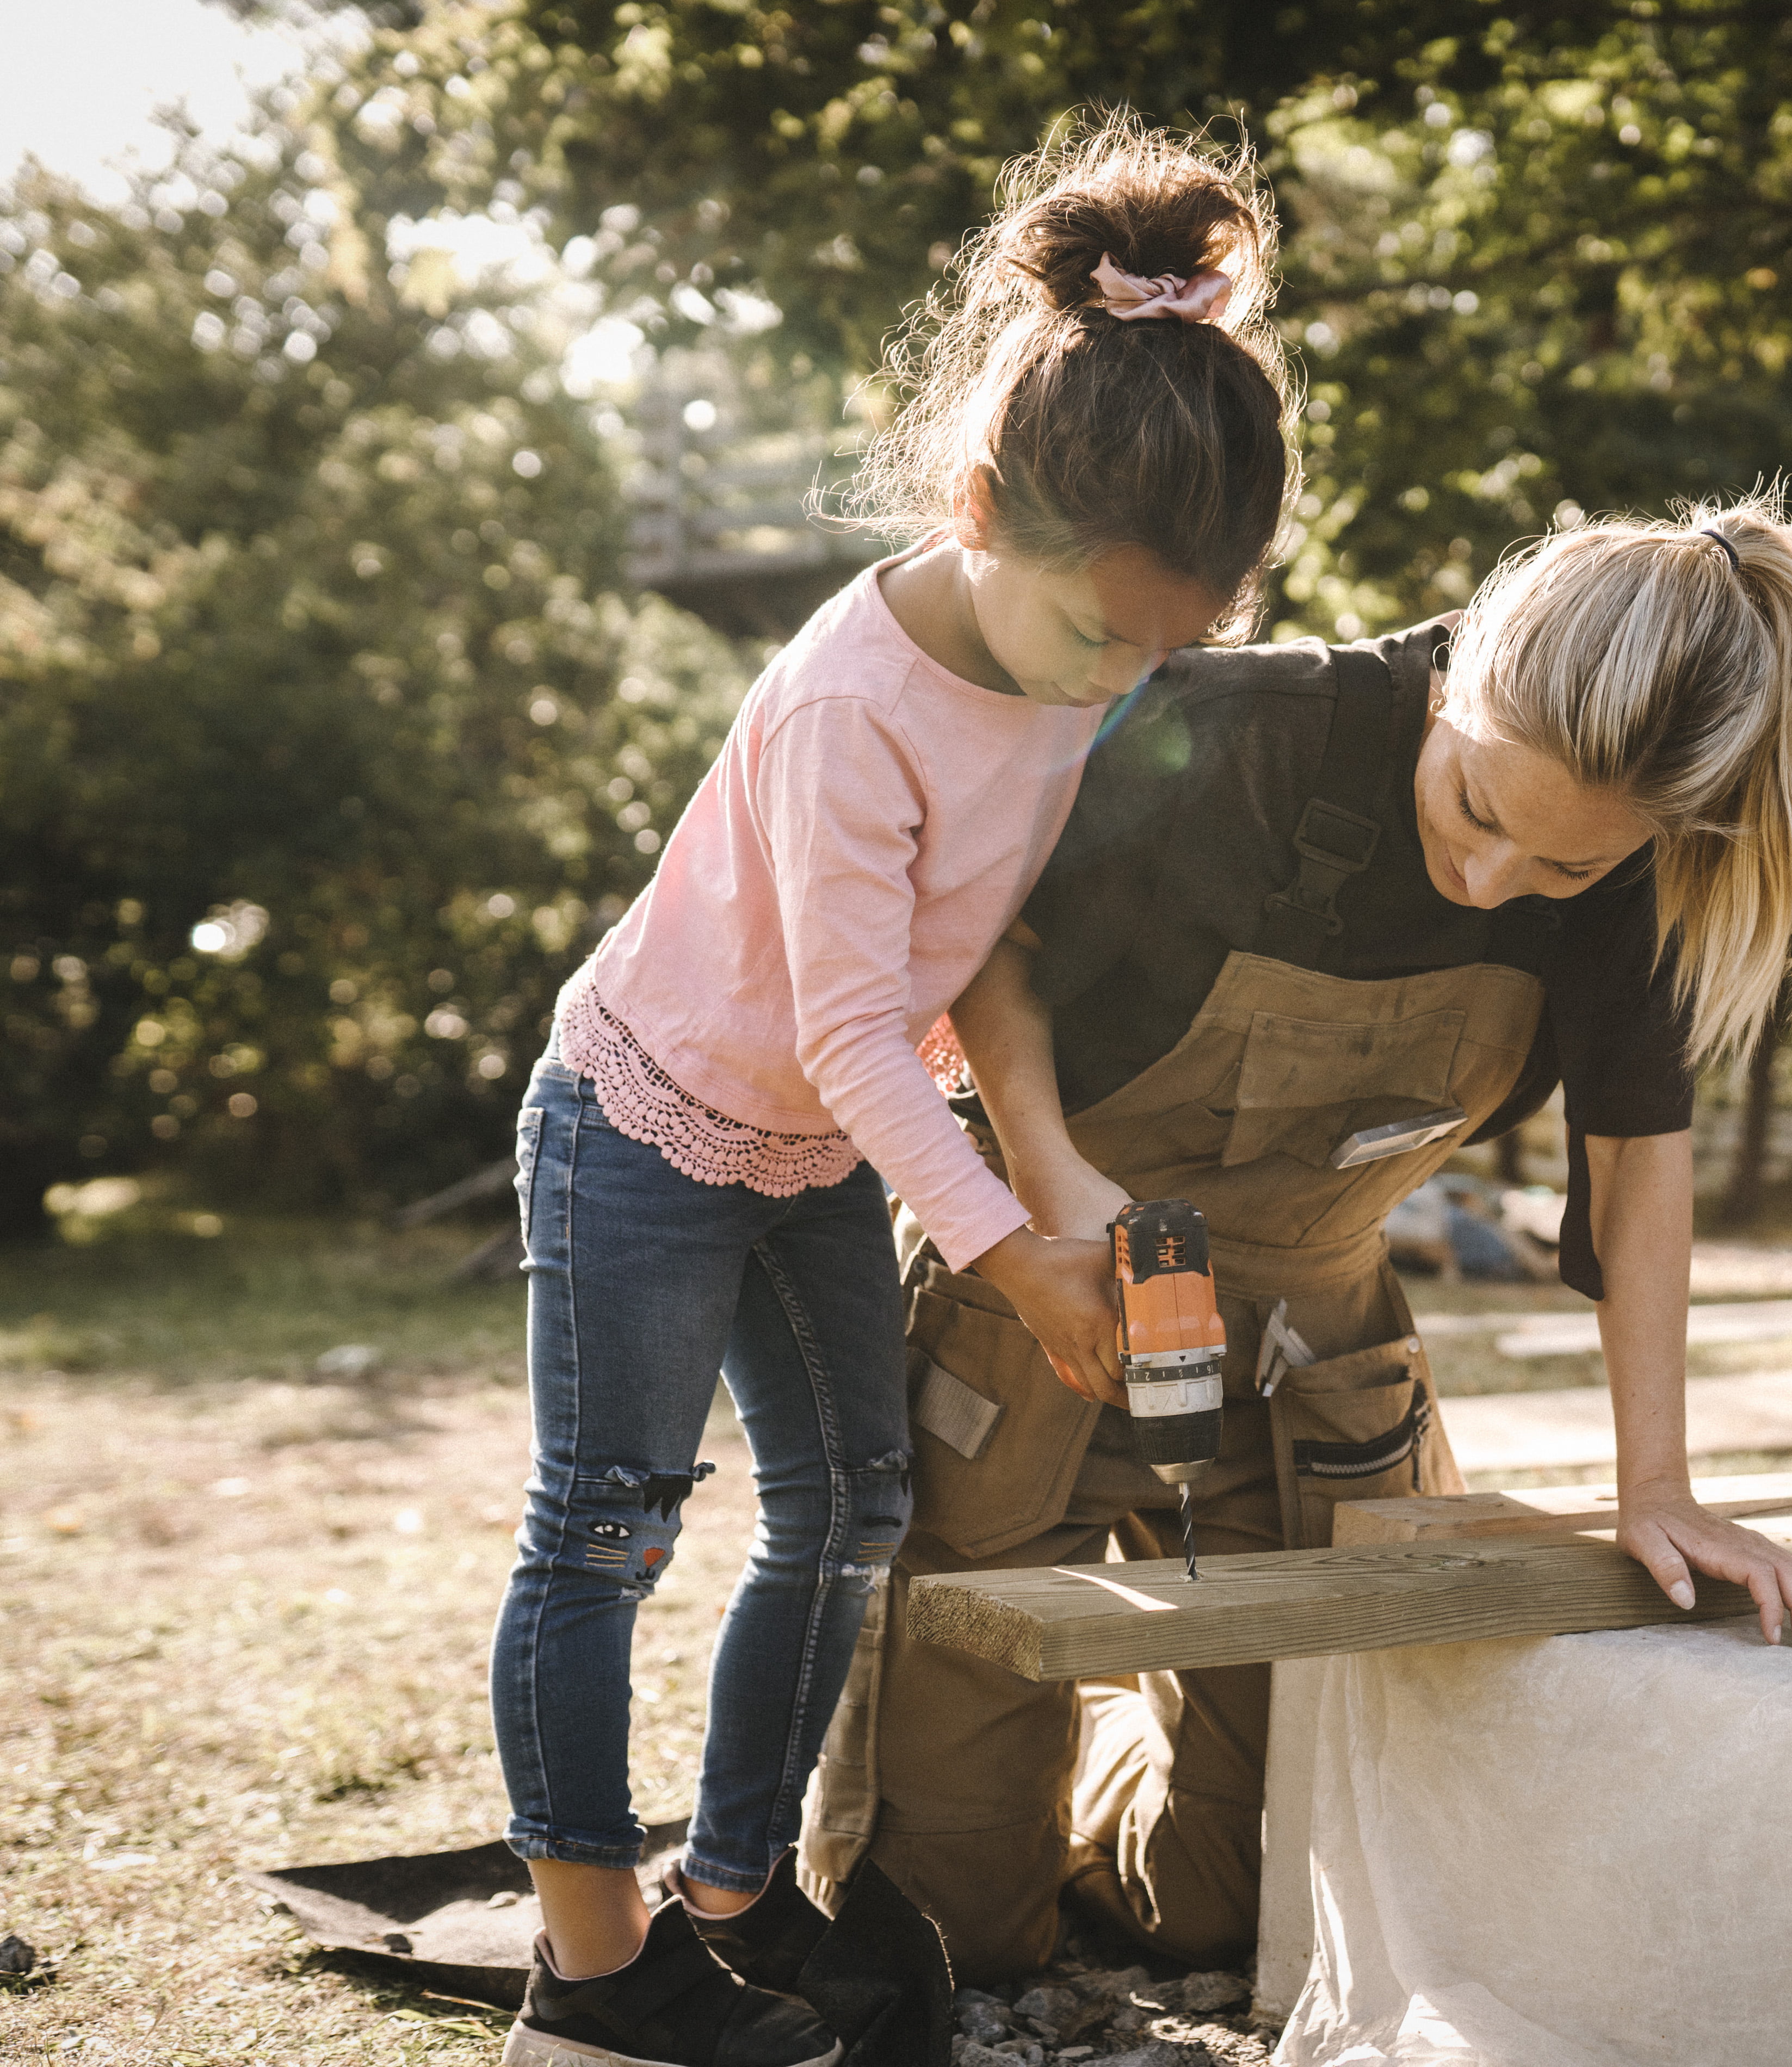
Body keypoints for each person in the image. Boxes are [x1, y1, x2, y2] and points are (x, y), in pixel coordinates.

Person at [801, 486, 1792, 1983]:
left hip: (1319, 1358)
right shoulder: (1237, 730)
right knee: (937, 1928)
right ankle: (1000, 1801)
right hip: (1044, 1300)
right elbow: (1000, 950)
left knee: (1256, 1902)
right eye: (1478, 812)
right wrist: (1044, 1195)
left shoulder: (1638, 866)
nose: (1496, 881)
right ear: (1455, 683)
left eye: (1561, 870)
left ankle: (1116, 1757)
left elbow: (1639, 1165)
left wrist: (1660, 1485)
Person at [492, 118, 1293, 2067]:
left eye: (1173, 642)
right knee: (607, 1520)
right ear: (973, 502)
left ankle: (739, 1896)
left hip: (826, 1146)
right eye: (1108, 631)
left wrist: (1057, 1175)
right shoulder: (857, 703)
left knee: (853, 1506)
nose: (1127, 676)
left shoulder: (1081, 671)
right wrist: (1016, 1261)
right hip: (650, 1124)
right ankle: (589, 1981)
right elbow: (858, 1032)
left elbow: (988, 964)